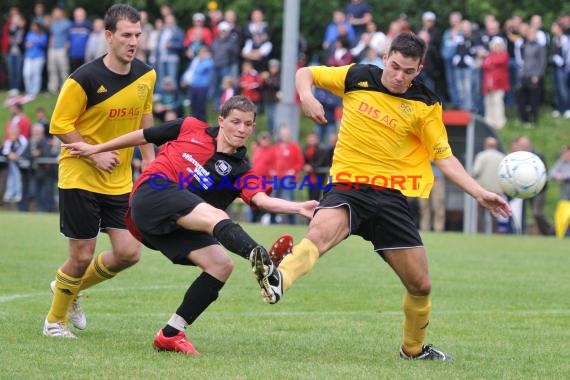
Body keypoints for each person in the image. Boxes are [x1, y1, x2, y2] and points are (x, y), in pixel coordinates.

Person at [255, 32, 511, 361]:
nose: (399, 76)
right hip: (349, 184)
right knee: (319, 234)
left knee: (420, 286)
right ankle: (279, 279)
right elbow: (306, 73)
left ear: (419, 69)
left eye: (408, 71)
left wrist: (479, 193)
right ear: (385, 56)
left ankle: (414, 349)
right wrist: (306, 96)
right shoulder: (358, 76)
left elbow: (443, 156)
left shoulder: (425, 103)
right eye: (394, 67)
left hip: (390, 197)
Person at [62, 95, 318, 355]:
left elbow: (261, 199)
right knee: (214, 215)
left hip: (173, 226)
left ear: (253, 128)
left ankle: (171, 333)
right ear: (221, 121)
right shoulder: (190, 127)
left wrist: (297, 207)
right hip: (152, 194)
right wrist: (97, 148)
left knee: (221, 264)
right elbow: (144, 134)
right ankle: (259, 258)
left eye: (248, 124)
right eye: (235, 122)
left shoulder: (241, 170)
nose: (241, 129)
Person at [43, 4, 158, 339]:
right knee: (81, 255)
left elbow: (144, 115)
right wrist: (96, 156)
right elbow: (59, 124)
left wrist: (149, 157)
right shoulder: (84, 78)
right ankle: (54, 322)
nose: (133, 41)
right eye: (126, 35)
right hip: (80, 172)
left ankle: (69, 289)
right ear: (109, 36)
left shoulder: (146, 75)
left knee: (128, 252)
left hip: (118, 179)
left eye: (137, 34)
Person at [515, 136, 555, 235]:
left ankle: (551, 231)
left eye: (525, 145)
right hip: (524, 189)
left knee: (537, 213)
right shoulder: (519, 157)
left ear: (529, 145)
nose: (523, 147)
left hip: (539, 189)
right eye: (521, 145)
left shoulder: (538, 156)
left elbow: (544, 172)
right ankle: (522, 232)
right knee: (522, 212)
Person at [473, 137, 506, 233]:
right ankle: (495, 232)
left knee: (480, 214)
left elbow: (476, 171)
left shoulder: (481, 156)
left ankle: (480, 233)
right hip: (497, 190)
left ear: (486, 145)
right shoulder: (502, 157)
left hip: (483, 190)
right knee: (495, 213)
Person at [550, 146, 570, 238]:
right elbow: (551, 173)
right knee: (562, 219)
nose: (564, 155)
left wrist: (563, 176)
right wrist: (557, 175)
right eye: (563, 153)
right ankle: (563, 236)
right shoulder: (561, 162)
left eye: (566, 153)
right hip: (565, 198)